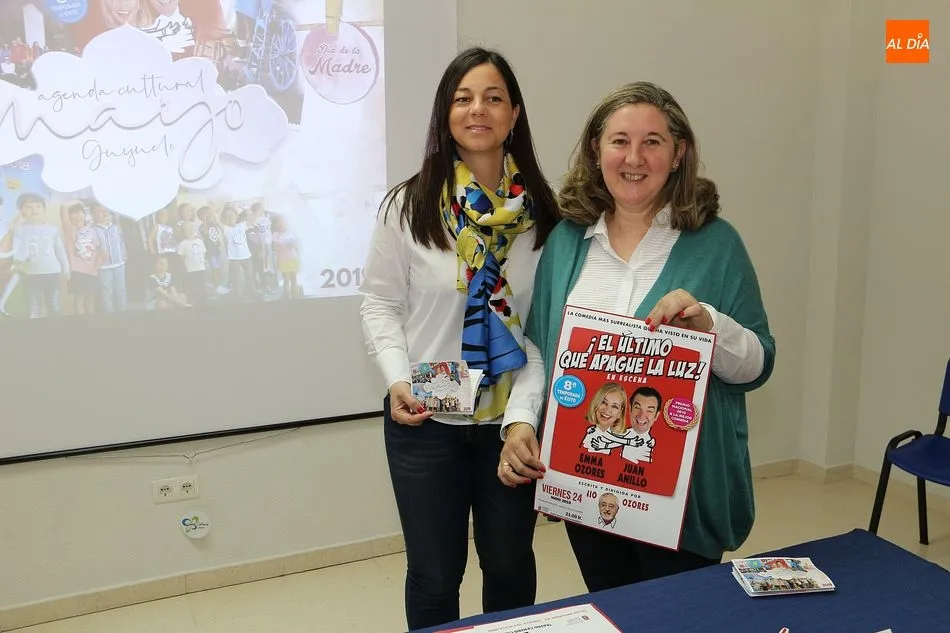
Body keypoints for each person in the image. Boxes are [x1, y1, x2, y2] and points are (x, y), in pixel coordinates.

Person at [498, 81, 775, 592]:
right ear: (596, 150)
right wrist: (518, 423)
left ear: (678, 153)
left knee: (681, 621)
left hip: (682, 502)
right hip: (587, 488)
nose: (634, 157)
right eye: (619, 140)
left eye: (653, 141)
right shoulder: (566, 241)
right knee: (614, 611)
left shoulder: (717, 244)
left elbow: (759, 363)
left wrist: (710, 325)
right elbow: (539, 348)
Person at [359, 47, 559, 630]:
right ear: (445, 113)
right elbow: (379, 301)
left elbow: (542, 332)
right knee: (434, 574)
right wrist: (397, 378)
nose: (479, 110)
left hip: (507, 423)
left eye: (494, 97)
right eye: (463, 97)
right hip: (427, 416)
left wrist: (523, 417)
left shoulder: (544, 217)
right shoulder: (410, 204)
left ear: (515, 113)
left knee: (509, 561)